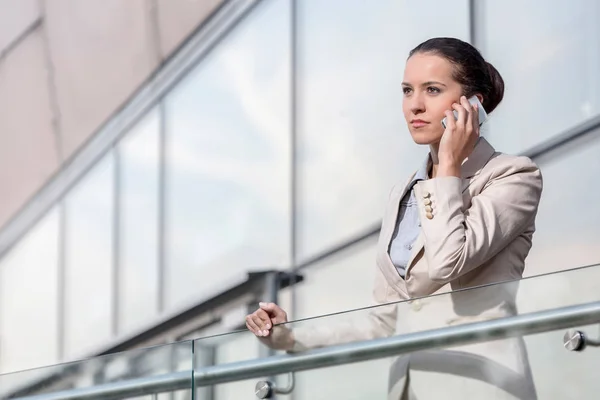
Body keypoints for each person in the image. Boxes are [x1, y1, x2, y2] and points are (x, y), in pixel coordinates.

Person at [245, 37, 543, 399]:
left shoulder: (513, 177)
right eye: (407, 90)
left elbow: (447, 262)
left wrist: (447, 166)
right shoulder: (404, 192)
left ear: (473, 105)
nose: (414, 105)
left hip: (481, 386)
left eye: (432, 89)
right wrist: (288, 337)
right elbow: (385, 320)